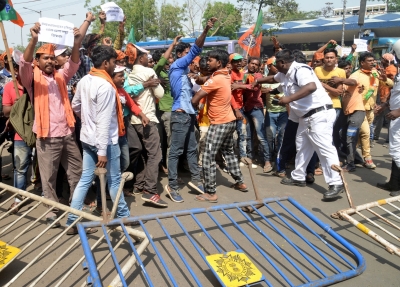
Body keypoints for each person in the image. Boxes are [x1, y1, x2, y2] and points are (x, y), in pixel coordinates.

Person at [20, 18, 90, 226]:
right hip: (47, 135)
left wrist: (76, 43)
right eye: (45, 59)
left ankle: (75, 208)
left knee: (76, 172)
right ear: (38, 61)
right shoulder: (31, 78)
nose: (50, 61)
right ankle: (52, 209)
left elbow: (74, 63)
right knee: (48, 177)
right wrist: (33, 41)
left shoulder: (61, 76)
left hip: (67, 132)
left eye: (52, 58)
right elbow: (24, 63)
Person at [255, 49, 344, 200]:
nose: (276, 66)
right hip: (305, 116)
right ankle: (298, 176)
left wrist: (287, 100)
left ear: (283, 63)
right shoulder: (285, 74)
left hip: (318, 114)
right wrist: (257, 81)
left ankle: (336, 182)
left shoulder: (300, 70)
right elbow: (273, 79)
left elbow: (311, 87)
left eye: (277, 63)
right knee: (302, 145)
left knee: (324, 148)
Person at [66, 45, 132, 235]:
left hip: (87, 138)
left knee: (85, 180)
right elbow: (103, 121)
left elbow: (75, 106)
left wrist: (87, 121)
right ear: (105, 63)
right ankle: (124, 218)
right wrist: (102, 150)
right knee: (114, 181)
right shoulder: (105, 86)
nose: (115, 66)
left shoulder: (85, 80)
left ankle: (72, 220)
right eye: (113, 62)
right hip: (105, 142)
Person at [165, 17, 216, 202]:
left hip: (188, 116)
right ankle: (171, 186)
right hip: (180, 115)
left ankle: (195, 180)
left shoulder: (185, 72)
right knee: (176, 152)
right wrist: (206, 30)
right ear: (180, 55)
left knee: (192, 150)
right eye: (187, 53)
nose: (191, 57)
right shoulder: (177, 65)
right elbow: (197, 48)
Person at [191, 50, 248, 202]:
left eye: (210, 60)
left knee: (208, 157)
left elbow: (196, 98)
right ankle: (240, 182)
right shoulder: (225, 75)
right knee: (228, 152)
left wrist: (193, 104)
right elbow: (206, 80)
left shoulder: (215, 80)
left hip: (219, 123)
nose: (207, 63)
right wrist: (200, 79)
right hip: (229, 121)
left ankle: (210, 192)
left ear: (219, 63)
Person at [128, 47, 166, 206]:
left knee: (145, 154)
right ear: (141, 58)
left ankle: (139, 184)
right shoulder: (148, 72)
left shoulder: (128, 74)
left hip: (135, 119)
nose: (148, 59)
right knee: (155, 155)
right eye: (146, 56)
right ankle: (150, 191)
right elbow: (160, 94)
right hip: (147, 118)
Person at [232, 57, 273, 172]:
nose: (253, 66)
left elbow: (253, 87)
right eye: (252, 63)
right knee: (248, 134)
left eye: (256, 64)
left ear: (259, 67)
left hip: (256, 108)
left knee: (261, 135)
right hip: (244, 108)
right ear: (248, 64)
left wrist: (238, 85)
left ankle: (267, 161)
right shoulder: (243, 74)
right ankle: (250, 157)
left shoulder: (258, 76)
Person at [376, 39, 400, 196]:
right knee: (396, 151)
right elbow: (397, 91)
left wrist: (399, 111)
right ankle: (394, 183)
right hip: (394, 113)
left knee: (396, 150)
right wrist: (386, 105)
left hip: (398, 116)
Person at [314, 48, 346, 158]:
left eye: (331, 57)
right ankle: (321, 158)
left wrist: (323, 85)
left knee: (330, 132)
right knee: (320, 132)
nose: (329, 60)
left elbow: (338, 92)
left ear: (336, 59)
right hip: (318, 105)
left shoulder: (340, 72)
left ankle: (331, 158)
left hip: (334, 105)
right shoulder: (317, 70)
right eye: (327, 57)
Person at [263, 56, 288, 159]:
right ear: (269, 66)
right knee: (270, 137)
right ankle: (269, 157)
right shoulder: (264, 80)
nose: (277, 67)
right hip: (270, 112)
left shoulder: (284, 77)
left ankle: (280, 157)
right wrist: (265, 90)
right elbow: (259, 92)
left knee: (282, 136)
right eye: (275, 65)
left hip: (283, 112)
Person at [373, 53, 397, 141]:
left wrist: (387, 97)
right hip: (381, 94)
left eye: (382, 59)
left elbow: (393, 84)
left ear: (387, 60)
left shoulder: (392, 69)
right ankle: (375, 135)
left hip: (388, 97)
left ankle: (389, 138)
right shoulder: (384, 68)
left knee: (388, 117)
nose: (381, 60)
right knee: (379, 116)